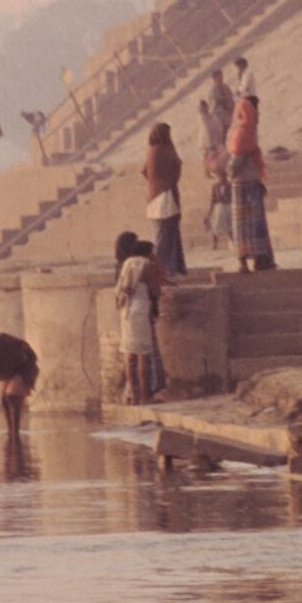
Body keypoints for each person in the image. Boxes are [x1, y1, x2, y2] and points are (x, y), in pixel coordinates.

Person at [228, 95, 274, 272]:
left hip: (247, 184)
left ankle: (257, 260)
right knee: (247, 226)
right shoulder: (243, 133)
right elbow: (235, 163)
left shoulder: (247, 132)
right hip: (244, 186)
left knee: (252, 226)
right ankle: (245, 262)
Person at [114, 233, 157, 405]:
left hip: (125, 311)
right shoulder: (145, 264)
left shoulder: (126, 264)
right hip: (140, 310)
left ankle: (133, 395)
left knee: (129, 354)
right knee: (143, 355)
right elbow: (154, 289)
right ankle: (146, 395)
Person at [144, 122, 187, 275]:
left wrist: (154, 183)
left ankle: (167, 268)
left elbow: (144, 171)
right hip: (166, 198)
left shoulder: (151, 151)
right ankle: (166, 269)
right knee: (168, 235)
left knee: (161, 235)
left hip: (153, 198)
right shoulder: (167, 149)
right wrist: (169, 179)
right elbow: (177, 167)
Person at [197, 96, 227, 180]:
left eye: (204, 107)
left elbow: (215, 125)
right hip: (206, 139)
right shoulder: (202, 117)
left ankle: (209, 171)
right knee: (206, 155)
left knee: (209, 155)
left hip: (210, 138)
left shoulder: (209, 116)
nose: (204, 108)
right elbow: (205, 127)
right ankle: (206, 172)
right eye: (202, 107)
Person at [207, 66, 236, 132]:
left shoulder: (225, 87)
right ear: (214, 79)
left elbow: (231, 98)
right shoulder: (213, 91)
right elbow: (213, 106)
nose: (221, 80)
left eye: (221, 78)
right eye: (219, 79)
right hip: (220, 117)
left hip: (230, 114)